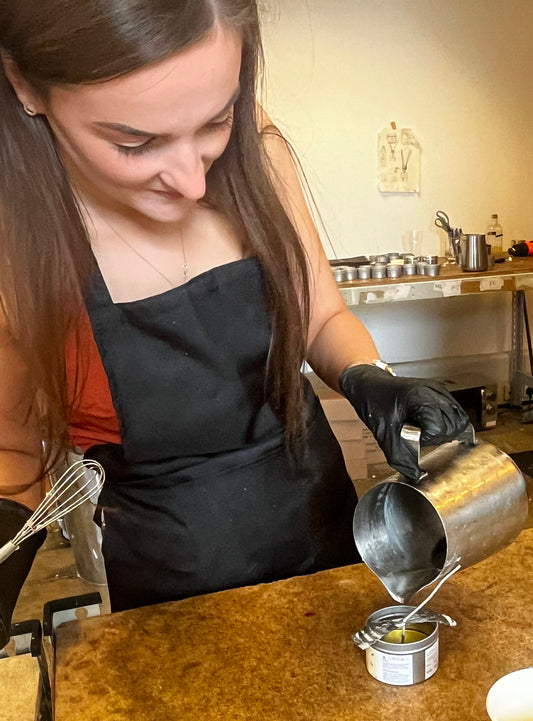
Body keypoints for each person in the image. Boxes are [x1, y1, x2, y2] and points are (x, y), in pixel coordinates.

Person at [0, 0, 468, 645]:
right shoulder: (15, 238)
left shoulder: (258, 153)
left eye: (217, 121)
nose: (194, 182)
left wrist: (370, 380)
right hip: (171, 590)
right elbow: (14, 455)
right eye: (135, 143)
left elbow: (321, 316)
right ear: (26, 87)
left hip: (325, 541)